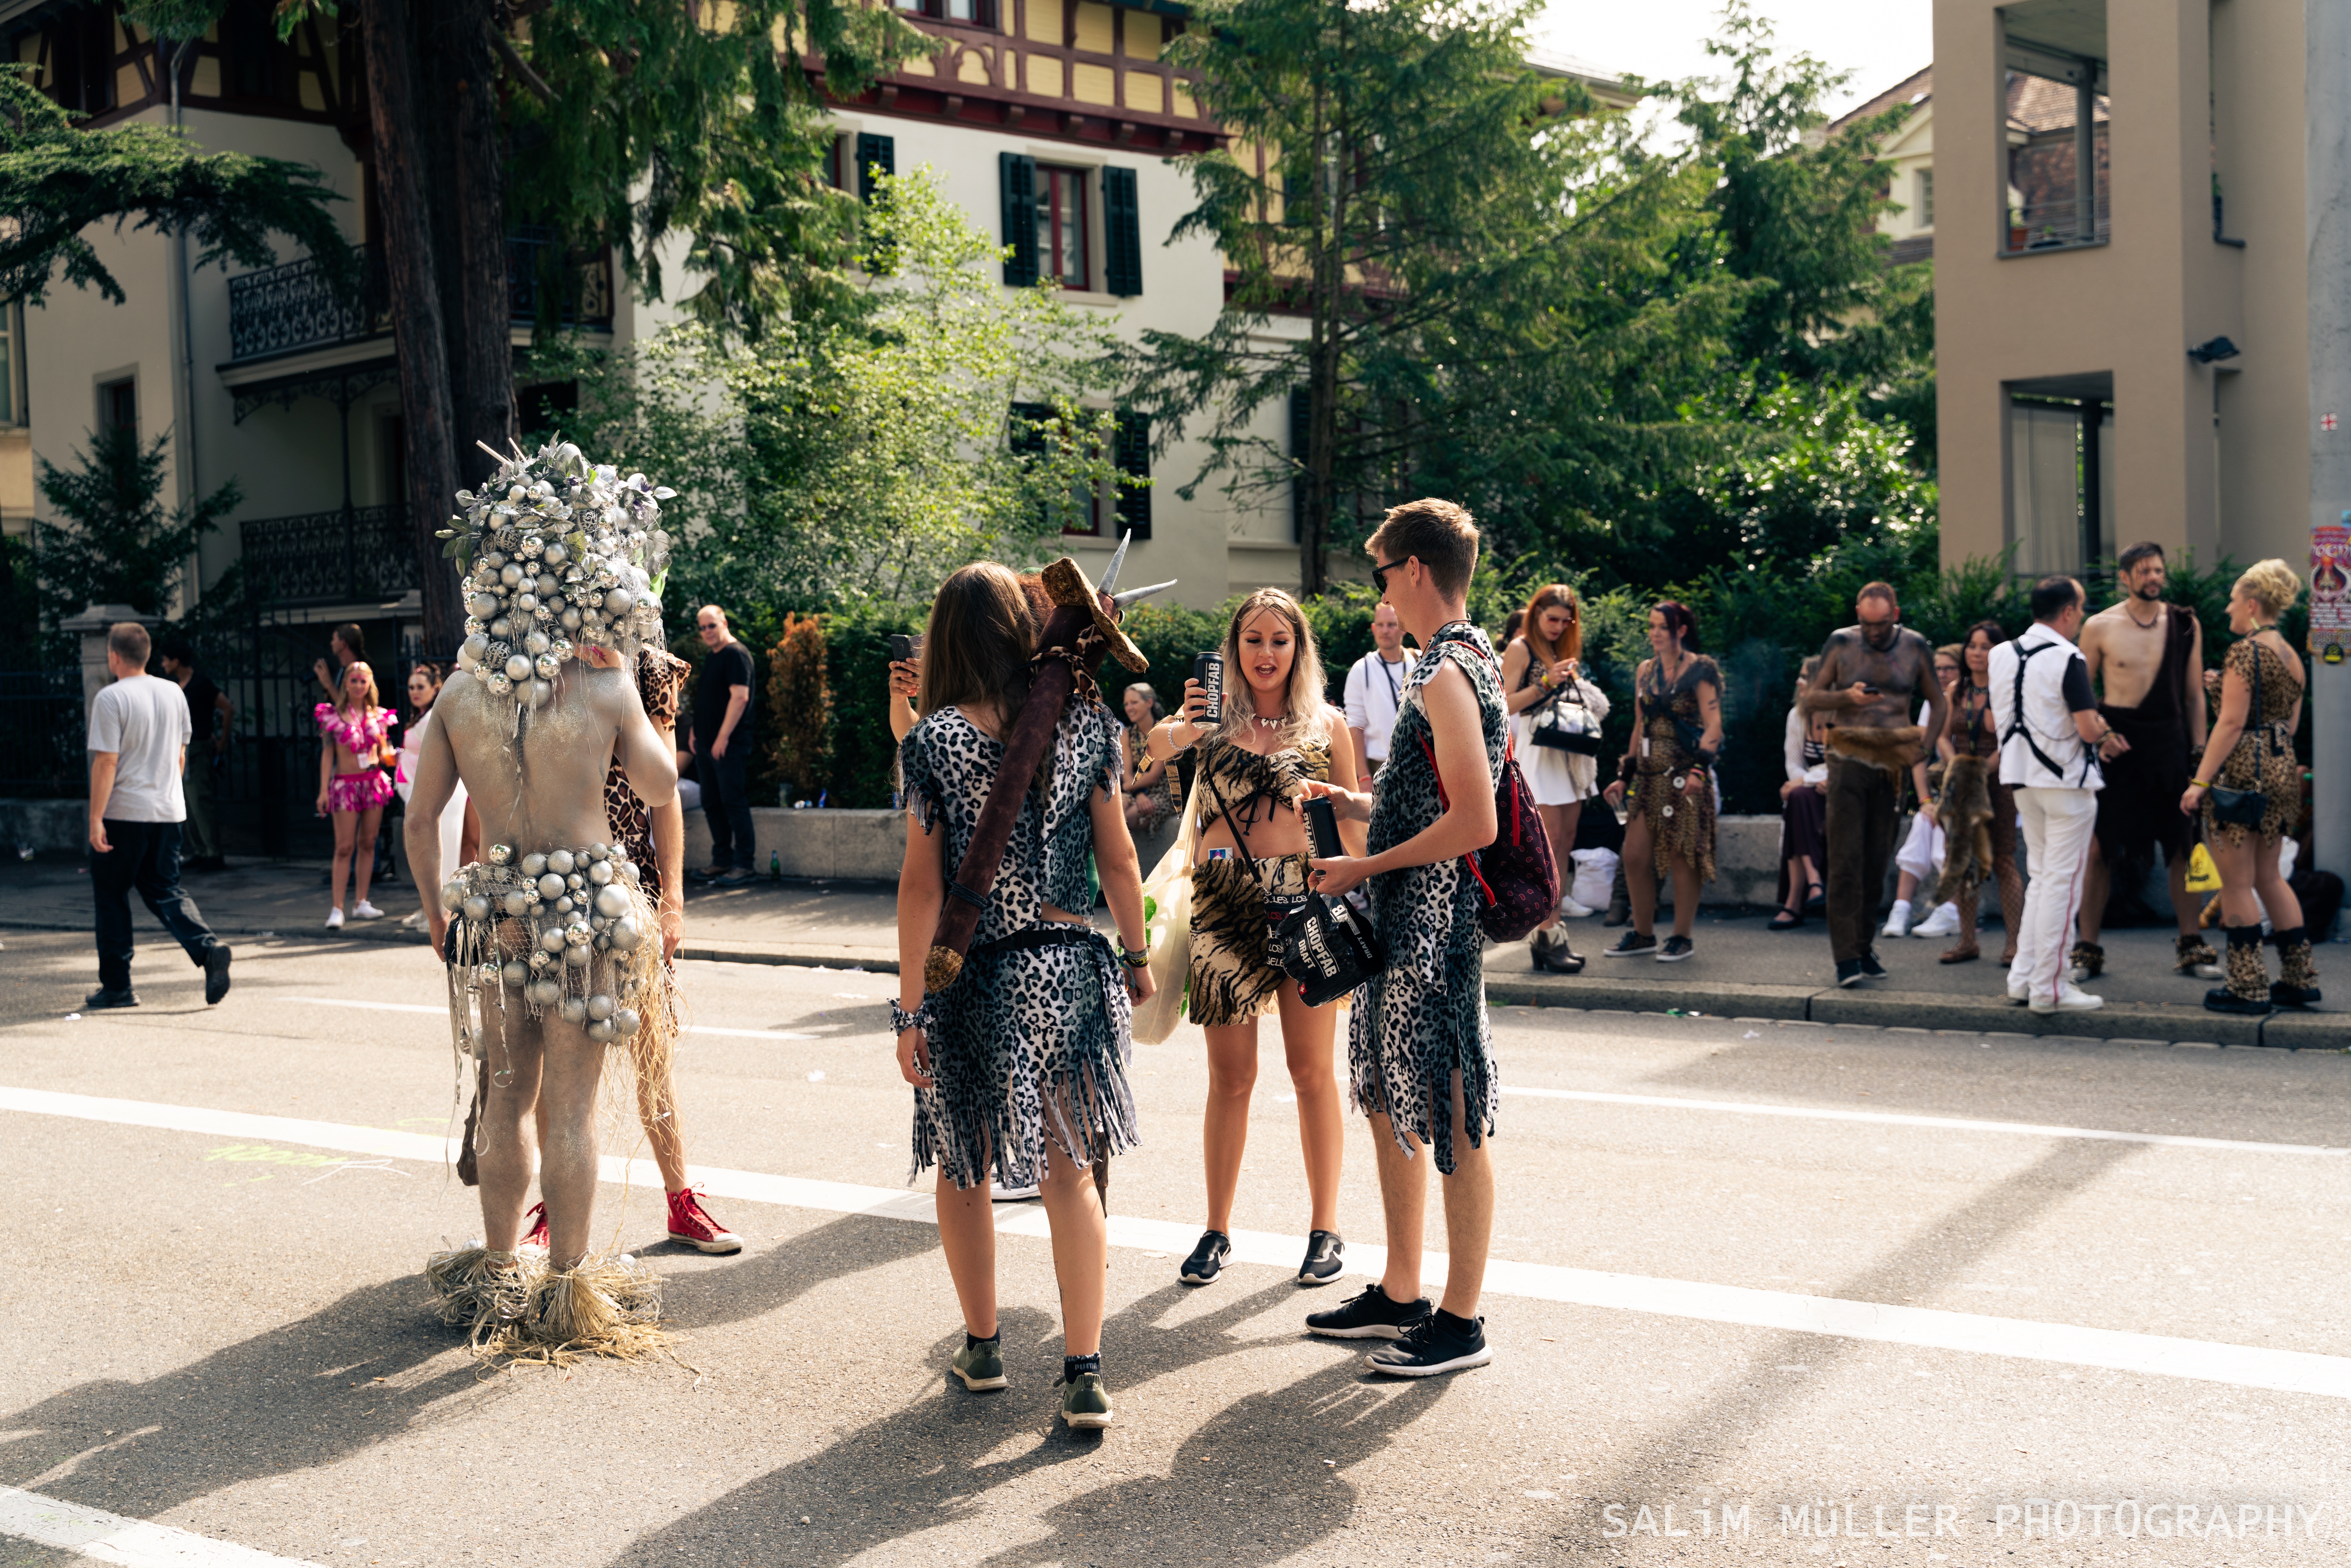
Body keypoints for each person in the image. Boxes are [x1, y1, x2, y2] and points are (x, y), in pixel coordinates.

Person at [408, 440, 681, 1359]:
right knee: (568, 1108)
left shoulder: (456, 692)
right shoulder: (604, 682)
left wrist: (438, 918)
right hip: (586, 906)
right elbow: (658, 784)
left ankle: (496, 1269)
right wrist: (643, 688)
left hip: (496, 911)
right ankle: (565, 1287)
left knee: (501, 1097)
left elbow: (421, 822)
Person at [893, 561, 1154, 1429]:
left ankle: (984, 1347)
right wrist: (1140, 953)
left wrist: (910, 1007)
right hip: (1073, 966)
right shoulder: (1088, 725)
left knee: (964, 1162)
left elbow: (922, 890)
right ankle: (1083, 1370)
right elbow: (1119, 860)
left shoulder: (932, 742)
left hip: (976, 974)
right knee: (1070, 1170)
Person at [1298, 499, 1502, 1377]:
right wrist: (1360, 808)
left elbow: (1477, 821)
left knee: (1452, 1112)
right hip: (1407, 926)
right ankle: (1403, 1290)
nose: (1379, 592)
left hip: (1432, 929)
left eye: (1383, 574)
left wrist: (1362, 869)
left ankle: (1458, 1322)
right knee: (1390, 1100)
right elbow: (1435, 799)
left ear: (1416, 569)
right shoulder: (1462, 660)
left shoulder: (1446, 672)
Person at [1146, 589, 1367, 1289]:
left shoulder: (1327, 725)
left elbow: (1355, 827)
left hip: (1304, 897)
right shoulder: (1207, 723)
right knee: (1231, 1078)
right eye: (1252, 640)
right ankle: (1216, 1230)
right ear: (1234, 648)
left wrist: (1349, 875)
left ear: (1299, 647)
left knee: (1311, 1073)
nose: (1266, 653)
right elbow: (1149, 753)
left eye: (1280, 639)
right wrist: (1186, 726)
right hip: (1222, 898)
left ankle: (1325, 1228)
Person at [513, 637, 741, 1254]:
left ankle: (680, 1201)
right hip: (554, 881)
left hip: (629, 887)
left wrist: (673, 900)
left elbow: (664, 800)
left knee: (652, 1054)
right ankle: (554, 1210)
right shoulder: (535, 652)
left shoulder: (644, 666)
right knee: (554, 1064)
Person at [2074, 541, 2218, 985]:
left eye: (2158, 570)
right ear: (2126, 577)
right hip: (2120, 751)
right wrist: (2103, 736)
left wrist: (2200, 757)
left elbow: (2195, 697)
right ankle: (2088, 950)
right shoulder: (2099, 627)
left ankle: (2191, 946)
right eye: (2144, 571)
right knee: (2100, 850)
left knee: (2183, 848)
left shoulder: (2184, 623)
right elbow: (2080, 695)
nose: (2153, 577)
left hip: (2170, 747)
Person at [2182, 561, 2318, 1014]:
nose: (2227, 609)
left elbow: (2233, 723)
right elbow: (2288, 722)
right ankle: (2298, 979)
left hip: (2241, 776)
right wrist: (2224, 689)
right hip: (2281, 771)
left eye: (2234, 601)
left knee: (2236, 882)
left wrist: (2200, 782)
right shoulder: (2292, 655)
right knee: (2270, 876)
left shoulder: (2245, 652)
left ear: (2253, 604)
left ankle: (2247, 986)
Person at [1799, 583, 1950, 988]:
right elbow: (1811, 699)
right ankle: (1845, 957)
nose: (1874, 633)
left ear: (1896, 614)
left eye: (1882, 625)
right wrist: (1846, 697)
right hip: (1848, 758)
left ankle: (1864, 947)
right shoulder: (1841, 643)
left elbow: (1939, 701)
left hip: (1892, 763)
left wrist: (1926, 745)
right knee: (1846, 857)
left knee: (1876, 858)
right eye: (1867, 624)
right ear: (1857, 614)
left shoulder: (1916, 646)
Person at [1989, 576, 2128, 1012]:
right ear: (2067, 612)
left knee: (2042, 881)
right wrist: (2108, 734)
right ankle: (2051, 988)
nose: (2082, 616)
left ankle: (2024, 979)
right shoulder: (2069, 658)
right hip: (2066, 784)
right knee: (2063, 885)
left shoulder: (2000, 655)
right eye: (2081, 608)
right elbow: (2088, 727)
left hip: (2022, 781)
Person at [83, 621, 232, 1010]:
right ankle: (208, 948)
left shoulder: (111, 699)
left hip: (124, 812)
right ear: (148, 655)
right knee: (165, 889)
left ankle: (117, 987)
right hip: (168, 811)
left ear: (114, 656)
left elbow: (106, 763)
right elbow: (181, 755)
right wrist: (166, 794)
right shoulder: (173, 694)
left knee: (112, 895)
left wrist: (96, 818)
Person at [1600, 601, 1722, 962]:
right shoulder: (1646, 671)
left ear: (1681, 630)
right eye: (1651, 626)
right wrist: (1625, 775)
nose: (1655, 634)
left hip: (1687, 775)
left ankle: (1682, 937)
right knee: (1635, 855)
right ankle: (1643, 934)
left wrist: (1701, 770)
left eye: (1662, 627)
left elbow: (1714, 724)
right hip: (1649, 777)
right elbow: (1641, 726)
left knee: (1683, 854)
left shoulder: (1701, 669)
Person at [1500, 583, 1609, 971]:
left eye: (1566, 621)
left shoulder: (1562, 647)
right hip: (1536, 747)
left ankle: (1553, 932)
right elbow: (1501, 704)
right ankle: (1546, 933)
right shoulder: (1520, 647)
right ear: (1536, 613)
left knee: (1563, 844)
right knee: (1545, 849)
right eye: (1553, 619)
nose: (1559, 627)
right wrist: (1545, 683)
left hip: (1566, 750)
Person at [1935, 621, 2027, 965]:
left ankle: (2015, 943)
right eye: (1972, 646)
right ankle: (1968, 942)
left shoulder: (2008, 690)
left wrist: (1982, 771)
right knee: (1962, 862)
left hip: (1998, 781)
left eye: (1986, 646)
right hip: (1962, 783)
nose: (1977, 652)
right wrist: (1957, 765)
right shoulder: (1956, 690)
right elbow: (1943, 736)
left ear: (1999, 652)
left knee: (2004, 859)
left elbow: (2013, 740)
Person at [1882, 645, 1965, 941]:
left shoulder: (1973, 700)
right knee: (1922, 822)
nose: (1941, 675)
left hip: (1972, 793)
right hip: (1941, 793)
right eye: (1937, 669)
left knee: (1946, 827)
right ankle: (1902, 908)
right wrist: (1926, 802)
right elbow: (1920, 757)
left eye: (1949, 669)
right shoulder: (1932, 705)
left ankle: (1952, 911)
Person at [315, 661, 396, 928]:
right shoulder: (333, 714)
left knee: (368, 842)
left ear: (369, 684)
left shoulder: (378, 716)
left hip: (372, 782)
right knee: (344, 847)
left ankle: (362, 902)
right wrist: (323, 790)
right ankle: (337, 908)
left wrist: (390, 755)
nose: (359, 685)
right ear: (346, 683)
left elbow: (385, 751)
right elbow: (328, 753)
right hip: (345, 785)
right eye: (354, 680)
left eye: (364, 681)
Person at [688, 605, 757, 885]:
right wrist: (695, 731)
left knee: (733, 801)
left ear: (724, 623)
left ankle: (744, 865)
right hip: (706, 744)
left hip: (729, 745)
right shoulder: (713, 656)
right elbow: (709, 700)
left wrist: (722, 737)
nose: (706, 632)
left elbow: (740, 698)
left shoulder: (736, 654)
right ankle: (722, 861)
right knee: (712, 803)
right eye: (702, 627)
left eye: (711, 626)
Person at [396, 664, 472, 911]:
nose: (414, 692)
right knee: (427, 847)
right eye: (411, 687)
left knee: (443, 847)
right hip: (419, 789)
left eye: (421, 687)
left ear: (435, 688)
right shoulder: (422, 716)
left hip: (441, 791)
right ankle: (431, 909)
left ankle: (444, 910)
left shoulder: (435, 717)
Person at [155, 639, 230, 872]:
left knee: (199, 800)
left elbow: (228, 708)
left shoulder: (200, 683)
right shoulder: (177, 685)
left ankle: (213, 853)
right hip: (181, 747)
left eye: (166, 659)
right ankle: (201, 851)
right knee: (186, 801)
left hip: (198, 746)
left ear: (176, 661)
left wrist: (222, 741)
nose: (163, 664)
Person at [1770, 656, 1830, 930]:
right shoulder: (1797, 716)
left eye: (1806, 677)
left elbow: (1844, 760)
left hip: (1841, 791)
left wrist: (1815, 778)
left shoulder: (1843, 715)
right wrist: (1807, 781)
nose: (1799, 681)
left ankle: (1794, 903)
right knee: (1797, 799)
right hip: (1810, 793)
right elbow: (1792, 763)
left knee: (1796, 799)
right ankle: (1814, 882)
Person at [1343, 600, 1416, 780]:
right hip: (1379, 766)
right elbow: (1355, 726)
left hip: (1419, 763)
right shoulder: (1361, 669)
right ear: (1374, 629)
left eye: (1392, 625)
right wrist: (1364, 777)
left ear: (1403, 627)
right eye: (1380, 625)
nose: (1385, 631)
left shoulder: (1420, 663)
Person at [1119, 682, 1179, 835]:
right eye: (1126, 704)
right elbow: (1126, 774)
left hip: (1162, 793)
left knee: (1125, 818)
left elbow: (1153, 776)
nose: (1129, 708)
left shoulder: (1163, 730)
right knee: (1116, 809)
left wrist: (1128, 787)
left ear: (1149, 703)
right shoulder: (1127, 734)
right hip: (1136, 791)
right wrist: (1138, 794)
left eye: (1134, 702)